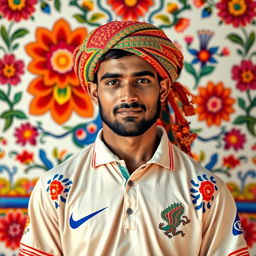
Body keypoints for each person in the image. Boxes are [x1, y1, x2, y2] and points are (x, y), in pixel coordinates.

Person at [19, 21, 249, 256]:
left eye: (142, 81)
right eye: (113, 82)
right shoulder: (55, 189)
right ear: (95, 92)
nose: (128, 96)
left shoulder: (206, 191)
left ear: (163, 88)